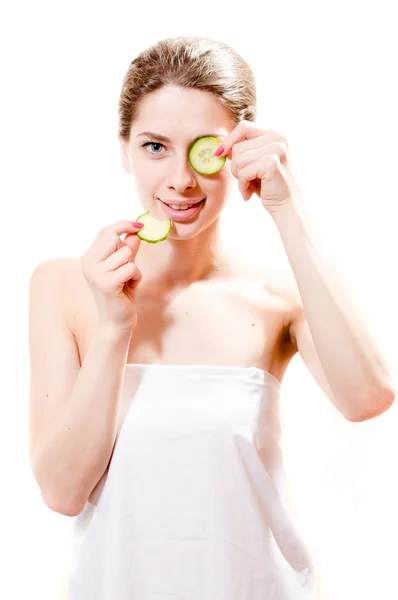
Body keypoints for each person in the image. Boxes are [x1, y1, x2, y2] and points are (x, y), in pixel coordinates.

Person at [28, 36, 395, 600]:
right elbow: (61, 491)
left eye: (205, 149)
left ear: (239, 149)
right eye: (155, 147)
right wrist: (112, 327)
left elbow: (368, 398)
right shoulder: (64, 285)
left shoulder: (279, 294)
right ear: (124, 148)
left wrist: (285, 206)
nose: (181, 179)